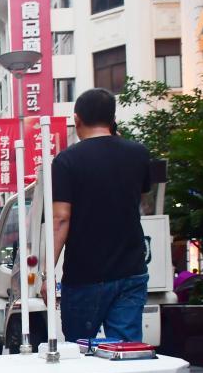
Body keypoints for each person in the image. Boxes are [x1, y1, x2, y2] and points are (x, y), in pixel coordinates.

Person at [48, 88, 152, 343]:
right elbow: (141, 200)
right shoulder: (138, 153)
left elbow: (60, 218)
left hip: (84, 274)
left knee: (80, 351)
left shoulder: (66, 161)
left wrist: (47, 272)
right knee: (125, 349)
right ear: (112, 117)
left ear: (77, 119)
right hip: (131, 270)